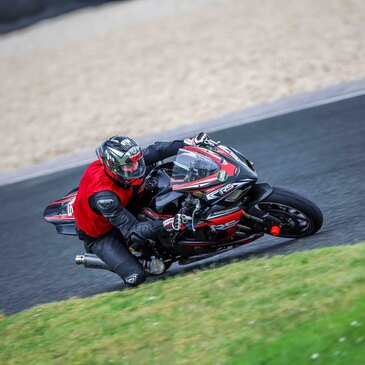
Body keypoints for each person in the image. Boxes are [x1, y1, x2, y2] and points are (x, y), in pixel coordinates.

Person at [74, 133, 210, 287]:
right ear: (113, 167)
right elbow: (135, 231)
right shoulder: (105, 198)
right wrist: (170, 222)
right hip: (101, 234)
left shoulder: (125, 165)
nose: (135, 168)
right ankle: (105, 258)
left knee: (155, 166)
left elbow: (156, 150)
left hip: (123, 199)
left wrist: (189, 142)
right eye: (128, 166)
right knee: (136, 277)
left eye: (136, 162)